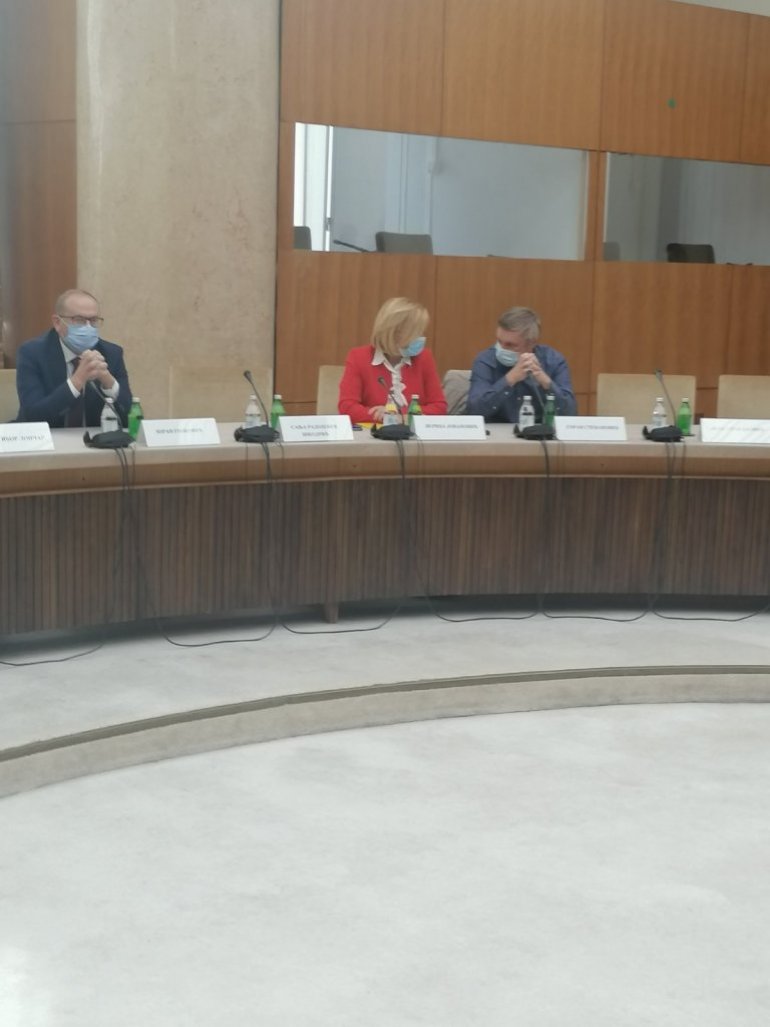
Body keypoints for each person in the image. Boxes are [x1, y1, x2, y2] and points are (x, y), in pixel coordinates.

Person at [15, 288, 132, 427]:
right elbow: (32, 416)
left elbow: (131, 418)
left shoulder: (111, 354)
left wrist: (108, 382)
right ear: (57, 322)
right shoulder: (33, 353)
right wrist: (77, 381)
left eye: (93, 320)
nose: (88, 327)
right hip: (48, 438)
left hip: (94, 439)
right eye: (79, 320)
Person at [338, 297, 447, 423]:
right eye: (416, 333)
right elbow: (347, 407)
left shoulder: (424, 357)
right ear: (394, 332)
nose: (421, 338)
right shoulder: (358, 357)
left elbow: (439, 407)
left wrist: (398, 415)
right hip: (375, 433)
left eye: (421, 332)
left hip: (414, 434)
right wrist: (382, 417)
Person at [467, 306, 576, 423]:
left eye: (510, 345)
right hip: (496, 431)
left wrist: (545, 382)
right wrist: (509, 380)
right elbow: (474, 411)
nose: (501, 349)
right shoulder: (485, 360)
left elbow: (570, 413)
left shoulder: (553, 360)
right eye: (499, 341)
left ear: (532, 343)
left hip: (538, 430)